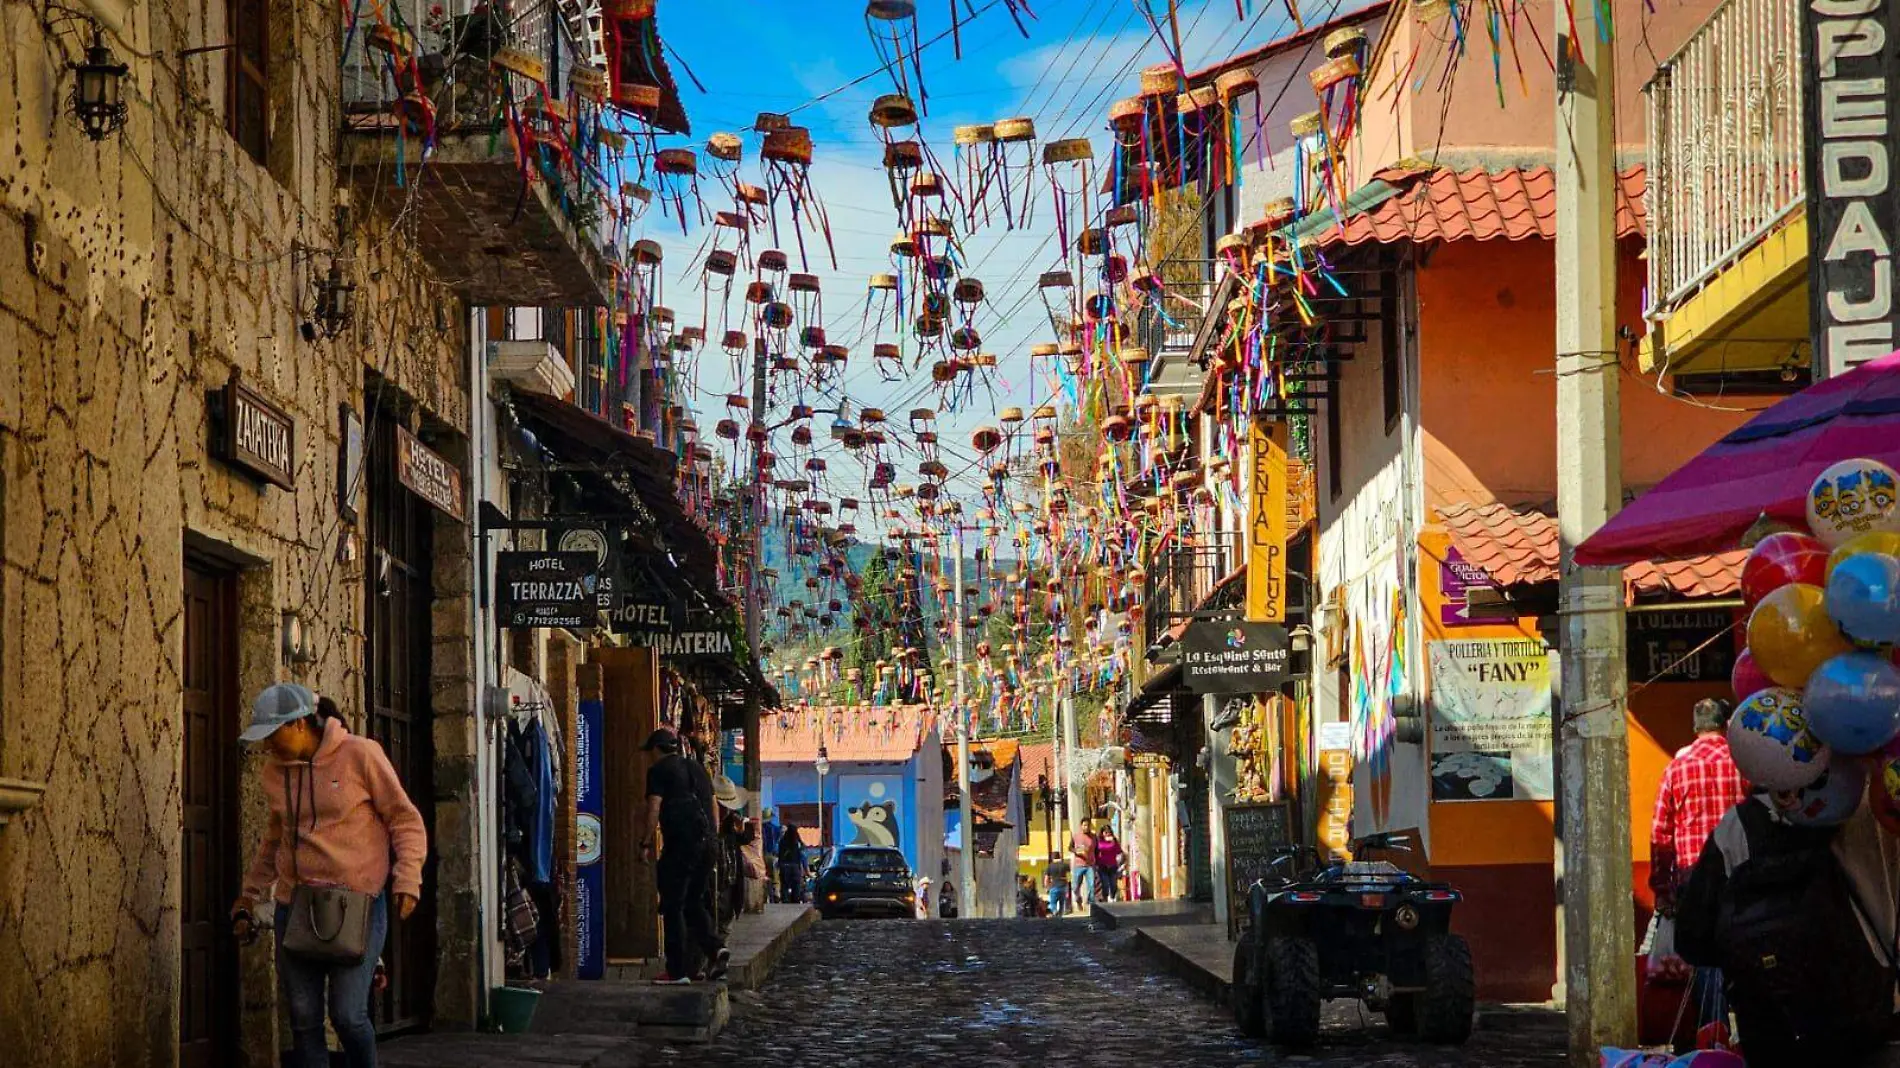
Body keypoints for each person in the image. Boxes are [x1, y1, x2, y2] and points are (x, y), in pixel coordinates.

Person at [230, 685, 427, 1068]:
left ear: (300, 724)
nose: (268, 746)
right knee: (303, 1019)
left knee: (348, 1014)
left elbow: (405, 820)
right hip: (297, 905)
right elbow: (275, 840)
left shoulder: (360, 755)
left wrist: (407, 879)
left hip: (357, 904)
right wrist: (249, 894)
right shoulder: (274, 774)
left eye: (273, 735)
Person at [1675, 792, 1896, 1063]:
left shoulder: (1736, 828)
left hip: (1772, 1031)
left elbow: (1692, 940)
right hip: (1873, 1021)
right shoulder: (1880, 808)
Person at [641, 727, 728, 984]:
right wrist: (712, 835)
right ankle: (715, 949)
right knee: (693, 902)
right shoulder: (698, 768)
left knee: (673, 904)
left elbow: (654, 806)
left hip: (682, 844)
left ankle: (677, 971)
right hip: (708, 844)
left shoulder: (658, 771)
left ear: (657, 750)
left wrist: (645, 842)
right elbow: (713, 804)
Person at [1651, 698, 1750, 913]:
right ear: (1726, 724)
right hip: (1738, 875)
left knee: (1696, 944)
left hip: (1691, 878)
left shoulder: (1675, 769)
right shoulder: (1743, 763)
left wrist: (1662, 889)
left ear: (1696, 728)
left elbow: (1660, 833)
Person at [777, 823, 809, 904]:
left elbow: (779, 853)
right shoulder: (797, 842)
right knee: (796, 885)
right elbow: (802, 854)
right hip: (795, 866)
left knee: (784, 885)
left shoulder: (782, 841)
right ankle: (795, 900)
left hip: (784, 866)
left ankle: (785, 900)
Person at [1094, 827, 1124, 902]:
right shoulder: (1099, 841)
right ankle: (1105, 898)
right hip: (1102, 865)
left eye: (1109, 832)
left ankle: (1112, 895)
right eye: (1105, 832)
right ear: (1102, 833)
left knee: (1113, 884)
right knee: (1105, 883)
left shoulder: (1114, 841)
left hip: (1112, 865)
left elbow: (1118, 851)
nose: (1107, 834)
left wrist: (1113, 841)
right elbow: (1097, 850)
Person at [1070, 823, 1097, 907]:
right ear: (1081, 826)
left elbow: (1097, 849)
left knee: (1092, 885)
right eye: (1084, 825)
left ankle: (1090, 904)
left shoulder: (1094, 837)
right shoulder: (1076, 836)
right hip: (1078, 865)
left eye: (1088, 825)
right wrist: (1076, 851)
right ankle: (1078, 899)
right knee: (1075, 887)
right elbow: (1070, 847)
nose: (1086, 827)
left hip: (1090, 865)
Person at [761, 809, 784, 901]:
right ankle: (776, 893)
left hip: (762, 856)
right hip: (773, 856)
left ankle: (765, 895)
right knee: (775, 878)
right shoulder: (775, 828)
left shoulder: (760, 828)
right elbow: (782, 832)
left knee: (764, 876)